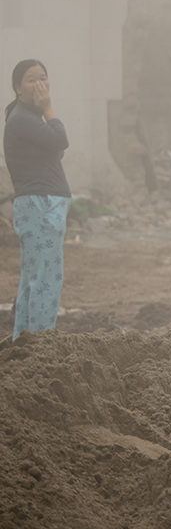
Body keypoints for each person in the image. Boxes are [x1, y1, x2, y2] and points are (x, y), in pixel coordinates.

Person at [5, 59, 69, 339]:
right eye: (31, 80)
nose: (39, 85)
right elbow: (60, 140)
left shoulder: (27, 119)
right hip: (40, 203)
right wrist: (48, 108)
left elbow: (55, 147)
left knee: (33, 280)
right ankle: (42, 343)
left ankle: (24, 343)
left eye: (43, 78)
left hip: (39, 202)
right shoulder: (22, 118)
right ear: (18, 88)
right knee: (45, 281)